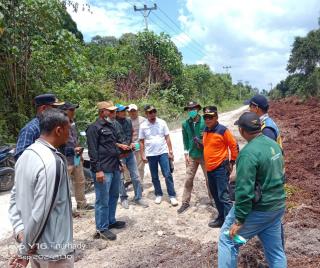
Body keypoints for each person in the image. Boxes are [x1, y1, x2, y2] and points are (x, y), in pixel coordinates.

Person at [218, 112, 286, 267]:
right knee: (275, 251)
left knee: (227, 239)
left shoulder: (248, 153)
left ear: (242, 130)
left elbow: (244, 191)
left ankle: (239, 241)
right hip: (276, 207)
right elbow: (281, 173)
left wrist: (239, 220)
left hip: (260, 209)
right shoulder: (273, 144)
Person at [8, 109, 73, 268]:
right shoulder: (51, 162)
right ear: (59, 130)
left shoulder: (25, 156)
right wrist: (23, 251)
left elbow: (14, 198)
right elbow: (40, 212)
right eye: (68, 130)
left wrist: (21, 232)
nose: (70, 135)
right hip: (54, 251)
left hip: (34, 246)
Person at [86, 101, 129, 241]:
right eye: (110, 111)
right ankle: (102, 228)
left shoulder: (110, 126)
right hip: (103, 169)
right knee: (102, 200)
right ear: (102, 111)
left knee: (114, 196)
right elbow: (93, 151)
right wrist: (98, 170)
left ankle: (111, 220)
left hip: (114, 166)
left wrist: (119, 162)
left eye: (114, 111)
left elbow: (111, 146)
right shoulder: (94, 128)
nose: (113, 113)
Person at [202, 106, 238, 228]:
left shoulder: (223, 130)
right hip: (209, 169)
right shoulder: (206, 130)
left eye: (210, 117)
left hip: (220, 169)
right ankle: (221, 218)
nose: (208, 119)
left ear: (216, 117)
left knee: (224, 196)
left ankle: (230, 224)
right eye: (205, 117)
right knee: (215, 195)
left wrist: (232, 162)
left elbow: (234, 146)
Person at [139, 105, 178, 206]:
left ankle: (172, 195)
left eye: (154, 111)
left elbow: (167, 137)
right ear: (146, 114)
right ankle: (158, 194)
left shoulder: (162, 122)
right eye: (150, 112)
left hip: (163, 152)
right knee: (154, 176)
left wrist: (170, 151)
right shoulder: (143, 126)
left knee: (167, 174)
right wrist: (142, 155)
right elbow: (141, 141)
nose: (152, 114)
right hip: (151, 154)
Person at [177, 101, 212, 214]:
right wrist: (185, 153)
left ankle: (213, 200)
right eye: (189, 109)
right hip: (192, 155)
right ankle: (185, 202)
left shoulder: (205, 121)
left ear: (197, 109)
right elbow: (185, 139)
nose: (191, 111)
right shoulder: (185, 124)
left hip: (205, 155)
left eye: (193, 108)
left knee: (209, 179)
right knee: (188, 179)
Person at [59, 102, 94, 211]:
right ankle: (65, 209)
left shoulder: (72, 123)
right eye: (72, 110)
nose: (74, 112)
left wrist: (80, 155)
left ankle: (82, 204)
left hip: (76, 156)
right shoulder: (59, 123)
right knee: (63, 185)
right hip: (65, 157)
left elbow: (76, 139)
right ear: (65, 111)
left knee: (80, 180)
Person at [115, 104, 148, 209]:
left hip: (130, 153)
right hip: (119, 155)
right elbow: (110, 141)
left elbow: (132, 134)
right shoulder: (112, 123)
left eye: (125, 110)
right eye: (122, 111)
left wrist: (133, 143)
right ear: (117, 112)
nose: (124, 112)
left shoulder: (129, 121)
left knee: (136, 176)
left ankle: (138, 197)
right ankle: (123, 198)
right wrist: (120, 145)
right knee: (120, 178)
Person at [14, 93, 64, 160]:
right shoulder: (30, 129)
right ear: (43, 108)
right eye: (54, 107)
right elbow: (20, 156)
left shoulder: (52, 127)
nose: (58, 111)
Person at [127, 104, 146, 184]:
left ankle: (140, 183)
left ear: (137, 111)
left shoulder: (143, 120)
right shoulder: (126, 121)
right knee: (128, 166)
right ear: (128, 112)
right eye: (131, 111)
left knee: (140, 166)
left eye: (134, 111)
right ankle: (129, 180)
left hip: (140, 144)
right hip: (129, 145)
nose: (133, 113)